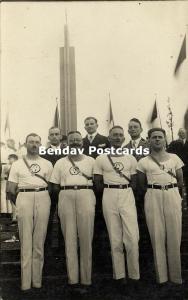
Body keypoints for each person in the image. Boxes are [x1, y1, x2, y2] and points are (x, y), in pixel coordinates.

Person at [94, 126, 140, 292]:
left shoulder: (130, 158)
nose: (118, 138)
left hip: (127, 193)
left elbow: (134, 181)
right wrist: (108, 194)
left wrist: (126, 192)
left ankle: (134, 276)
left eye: (121, 135)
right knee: (115, 236)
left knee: (132, 237)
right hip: (109, 194)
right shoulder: (101, 158)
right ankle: (119, 276)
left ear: (124, 138)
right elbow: (97, 181)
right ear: (109, 137)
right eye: (114, 135)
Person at [137, 128, 184, 285]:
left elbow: (180, 181)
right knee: (157, 235)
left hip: (171, 193)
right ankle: (161, 277)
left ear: (165, 140)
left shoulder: (174, 158)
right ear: (149, 140)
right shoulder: (143, 161)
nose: (157, 140)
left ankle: (176, 277)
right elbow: (141, 185)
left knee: (174, 234)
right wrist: (153, 194)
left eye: (160, 137)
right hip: (153, 195)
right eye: (154, 137)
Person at [50, 131, 96, 290]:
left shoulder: (91, 161)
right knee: (69, 238)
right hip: (66, 195)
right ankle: (73, 280)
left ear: (82, 143)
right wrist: (65, 197)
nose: (75, 142)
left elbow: (97, 182)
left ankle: (86, 280)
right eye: (72, 140)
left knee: (86, 238)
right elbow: (54, 186)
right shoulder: (60, 163)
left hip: (86, 194)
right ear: (67, 143)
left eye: (78, 140)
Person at [7, 133, 53, 291]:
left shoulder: (47, 163)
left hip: (43, 196)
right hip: (24, 197)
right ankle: (25, 283)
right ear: (25, 144)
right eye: (31, 142)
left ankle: (37, 281)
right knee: (26, 241)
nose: (34, 144)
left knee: (39, 241)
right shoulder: (17, 164)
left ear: (40, 144)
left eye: (37, 142)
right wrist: (20, 203)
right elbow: (10, 190)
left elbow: (52, 187)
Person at [40, 127, 66, 253]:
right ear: (49, 137)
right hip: (49, 190)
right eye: (52, 134)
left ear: (61, 136)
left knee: (64, 219)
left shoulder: (68, 152)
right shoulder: (43, 153)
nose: (54, 136)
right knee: (47, 218)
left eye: (57, 134)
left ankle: (63, 248)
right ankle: (47, 249)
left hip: (64, 189)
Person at [167, 128, 188, 207]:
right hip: (177, 168)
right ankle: (178, 201)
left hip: (187, 168)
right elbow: (169, 154)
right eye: (181, 133)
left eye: (184, 133)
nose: (182, 134)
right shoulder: (173, 143)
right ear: (178, 134)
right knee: (178, 185)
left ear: (186, 134)